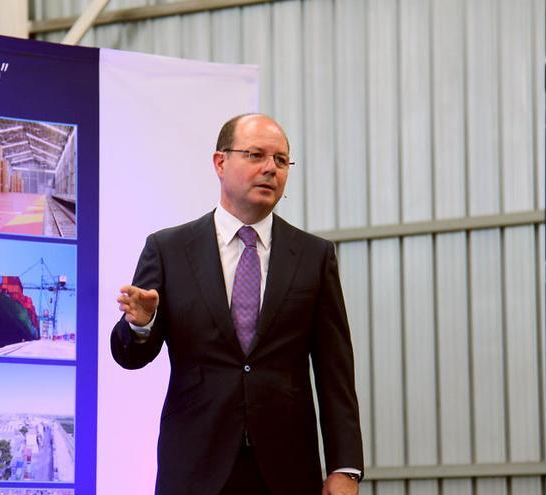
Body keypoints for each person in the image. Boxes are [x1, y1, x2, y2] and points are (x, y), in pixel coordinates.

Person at [111, 114, 364, 495]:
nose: (270, 169)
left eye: (281, 160)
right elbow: (129, 357)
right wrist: (142, 324)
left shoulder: (314, 256)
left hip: (287, 469)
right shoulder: (168, 250)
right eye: (256, 155)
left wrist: (344, 468)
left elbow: (335, 371)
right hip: (196, 466)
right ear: (220, 162)